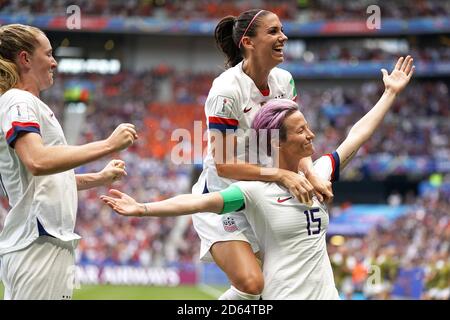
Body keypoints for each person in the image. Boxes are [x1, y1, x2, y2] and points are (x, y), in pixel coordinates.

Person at [101, 56, 414, 299]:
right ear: (277, 142)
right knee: (250, 283)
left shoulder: (318, 175)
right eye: (302, 130)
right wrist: (142, 208)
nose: (312, 134)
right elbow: (198, 202)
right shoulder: (254, 192)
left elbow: (355, 137)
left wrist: (389, 94)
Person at [189, 8, 333, 300]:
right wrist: (281, 174)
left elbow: (295, 141)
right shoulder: (226, 91)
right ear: (248, 42)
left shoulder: (285, 82)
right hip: (226, 198)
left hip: (262, 199)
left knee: (277, 285)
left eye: (281, 30)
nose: (284, 37)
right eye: (273, 32)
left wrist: (310, 173)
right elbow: (225, 165)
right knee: (252, 285)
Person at [0, 24, 137, 300]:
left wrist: (98, 178)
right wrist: (108, 145)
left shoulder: (28, 103)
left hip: (44, 242)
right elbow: (37, 161)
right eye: (48, 54)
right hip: (38, 242)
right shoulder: (18, 100)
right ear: (25, 59)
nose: (54, 62)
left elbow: (44, 180)